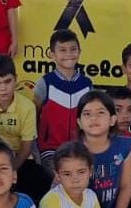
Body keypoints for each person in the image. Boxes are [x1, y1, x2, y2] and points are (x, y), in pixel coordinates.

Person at [0, 56, 49, 201]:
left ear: (16, 79)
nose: (3, 88)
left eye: (7, 81)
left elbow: (26, 147)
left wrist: (9, 170)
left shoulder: (27, 106)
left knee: (37, 185)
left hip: (20, 156)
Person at [33, 29, 93, 167]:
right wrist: (35, 148)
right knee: (57, 178)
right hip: (50, 150)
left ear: (79, 52)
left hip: (80, 149)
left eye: (73, 49)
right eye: (63, 50)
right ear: (52, 54)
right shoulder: (45, 83)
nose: (69, 54)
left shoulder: (87, 84)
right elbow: (33, 117)